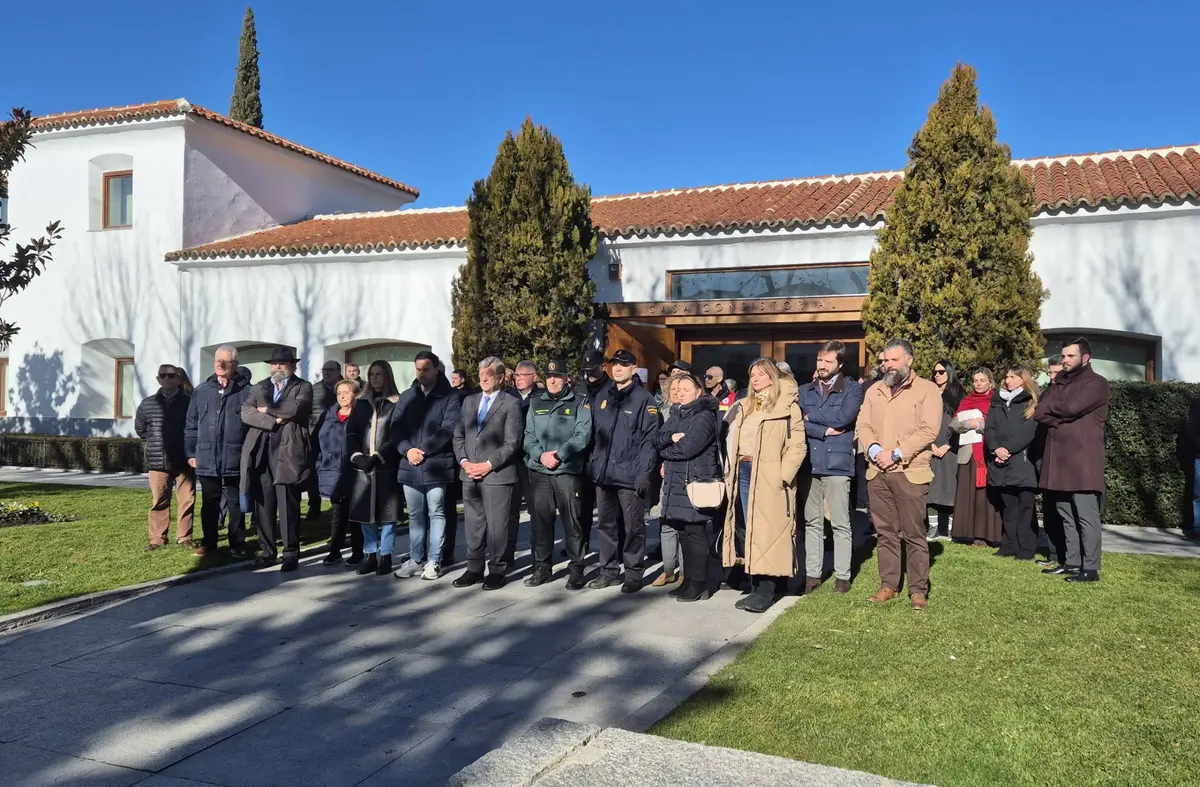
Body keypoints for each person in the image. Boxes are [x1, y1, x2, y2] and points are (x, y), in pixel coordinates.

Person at [855, 339, 941, 610]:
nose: (887, 365)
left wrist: (896, 453)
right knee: (885, 532)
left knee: (914, 534)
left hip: (911, 472)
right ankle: (888, 584)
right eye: (884, 361)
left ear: (909, 360)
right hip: (877, 472)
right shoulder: (874, 390)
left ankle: (918, 590)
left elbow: (928, 430)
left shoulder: (927, 390)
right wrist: (875, 448)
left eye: (893, 360)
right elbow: (863, 424)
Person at [721, 357, 806, 613]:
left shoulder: (786, 405)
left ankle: (767, 590)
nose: (755, 378)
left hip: (770, 474)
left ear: (772, 376)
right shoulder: (745, 405)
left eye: (760, 374)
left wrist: (782, 475)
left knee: (769, 532)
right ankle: (755, 585)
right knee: (750, 529)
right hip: (744, 471)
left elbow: (797, 445)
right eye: (752, 374)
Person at [1036, 338, 1110, 582]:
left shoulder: (1096, 383)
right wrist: (1058, 412)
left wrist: (1056, 412)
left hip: (1082, 460)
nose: (1064, 360)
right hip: (1059, 459)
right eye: (1063, 356)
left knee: (1086, 515)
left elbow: (1072, 407)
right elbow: (1039, 410)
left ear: (1085, 357)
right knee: (1065, 513)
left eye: (1070, 356)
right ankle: (1071, 562)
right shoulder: (1059, 382)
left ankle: (1090, 568)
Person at [587, 348, 659, 593]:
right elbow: (595, 434)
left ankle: (633, 572)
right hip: (604, 474)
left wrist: (643, 474)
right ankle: (608, 571)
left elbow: (649, 441)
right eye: (614, 364)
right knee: (606, 526)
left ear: (633, 368)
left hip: (629, 475)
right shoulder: (602, 396)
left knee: (632, 527)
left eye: (623, 364)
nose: (617, 368)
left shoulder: (643, 399)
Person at [798, 341, 865, 595]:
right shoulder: (805, 391)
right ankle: (812, 576)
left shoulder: (852, 390)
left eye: (827, 361)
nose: (822, 365)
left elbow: (845, 418)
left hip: (837, 465)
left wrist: (811, 418)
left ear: (839, 363)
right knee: (812, 522)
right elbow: (798, 421)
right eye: (819, 360)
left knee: (840, 522)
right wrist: (825, 430)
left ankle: (843, 576)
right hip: (809, 464)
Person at [452, 357, 523, 590]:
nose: (483, 378)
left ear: (501, 378)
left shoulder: (510, 403)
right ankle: (474, 568)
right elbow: (458, 436)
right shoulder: (469, 402)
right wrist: (464, 462)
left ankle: (497, 569)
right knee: (473, 525)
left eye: (489, 374)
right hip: (469, 474)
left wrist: (488, 464)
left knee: (497, 526)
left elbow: (512, 443)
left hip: (497, 475)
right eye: (481, 373)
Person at [240, 346, 313, 571]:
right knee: (264, 503)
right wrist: (273, 420)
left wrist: (266, 409)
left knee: (288, 504)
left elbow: (294, 408)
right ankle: (267, 551)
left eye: (282, 363)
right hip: (262, 450)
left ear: (293, 366)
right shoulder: (260, 387)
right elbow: (246, 412)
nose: (277, 367)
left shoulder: (303, 386)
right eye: (274, 364)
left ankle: (290, 553)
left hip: (288, 451)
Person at [523, 358, 593, 588]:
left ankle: (576, 570)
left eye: (558, 376)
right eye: (550, 376)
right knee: (541, 524)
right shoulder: (535, 403)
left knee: (572, 523)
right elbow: (527, 435)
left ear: (566, 379)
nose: (553, 380)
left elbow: (582, 435)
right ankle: (542, 568)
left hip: (567, 472)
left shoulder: (579, 403)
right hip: (540, 470)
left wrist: (559, 454)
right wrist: (540, 455)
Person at [394, 351, 461, 580]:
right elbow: (396, 428)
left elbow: (448, 429)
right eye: (418, 369)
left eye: (426, 369)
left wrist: (423, 450)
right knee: (415, 514)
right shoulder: (407, 397)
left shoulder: (449, 398)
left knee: (437, 512)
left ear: (436, 370)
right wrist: (407, 450)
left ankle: (434, 560)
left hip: (436, 465)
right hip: (410, 464)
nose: (421, 374)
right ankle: (415, 558)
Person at [654, 372, 721, 602]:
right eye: (678, 388)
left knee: (695, 533)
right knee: (683, 532)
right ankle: (689, 580)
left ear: (698, 392)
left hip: (695, 482)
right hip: (677, 481)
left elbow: (688, 448)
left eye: (686, 389)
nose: (680, 392)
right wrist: (671, 438)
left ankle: (700, 583)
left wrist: (666, 451)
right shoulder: (676, 413)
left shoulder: (703, 416)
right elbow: (658, 438)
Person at [185, 346, 252, 558]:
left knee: (235, 502)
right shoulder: (202, 390)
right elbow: (191, 424)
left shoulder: (246, 391)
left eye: (226, 362)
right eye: (217, 361)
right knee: (210, 503)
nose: (220, 365)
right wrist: (190, 453)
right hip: (206, 456)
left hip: (235, 455)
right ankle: (210, 542)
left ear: (235, 365)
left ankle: (238, 543)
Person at [346, 361, 403, 577]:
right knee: (365, 514)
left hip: (386, 466)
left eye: (380, 374)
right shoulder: (361, 403)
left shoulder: (396, 403)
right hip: (362, 468)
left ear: (387, 376)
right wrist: (357, 456)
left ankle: (386, 555)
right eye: (372, 374)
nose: (376, 378)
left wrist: (379, 456)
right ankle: (370, 555)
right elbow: (351, 432)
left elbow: (396, 434)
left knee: (387, 515)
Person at [135, 364, 195, 552]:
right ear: (158, 379)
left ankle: (185, 537)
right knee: (159, 501)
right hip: (157, 460)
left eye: (171, 375)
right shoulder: (147, 403)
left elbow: (194, 428)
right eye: (163, 375)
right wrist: (155, 443)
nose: (167, 378)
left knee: (187, 500)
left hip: (183, 459)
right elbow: (141, 429)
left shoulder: (189, 402)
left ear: (179, 378)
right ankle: (157, 538)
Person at [985, 366, 1041, 560]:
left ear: (1023, 379)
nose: (1008, 380)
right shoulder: (997, 401)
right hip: (1001, 463)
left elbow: (1028, 432)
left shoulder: (1031, 401)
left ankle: (1026, 548)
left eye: (1013, 377)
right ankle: (1009, 545)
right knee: (1008, 507)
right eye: (1006, 377)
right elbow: (990, 428)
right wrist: (996, 449)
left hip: (1022, 462)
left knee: (1025, 507)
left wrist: (1007, 449)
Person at [951, 368, 1004, 547]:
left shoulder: (997, 401)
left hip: (988, 453)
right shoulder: (967, 401)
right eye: (975, 380)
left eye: (982, 380)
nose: (979, 383)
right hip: (969, 454)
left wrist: (982, 425)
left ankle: (988, 534)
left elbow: (1001, 425)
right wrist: (968, 423)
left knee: (986, 496)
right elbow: (954, 424)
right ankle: (968, 533)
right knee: (969, 494)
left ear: (990, 381)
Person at [318, 379, 363, 565]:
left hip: (354, 471)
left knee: (356, 514)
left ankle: (358, 552)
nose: (342, 396)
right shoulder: (328, 416)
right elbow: (319, 443)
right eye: (339, 393)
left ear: (355, 394)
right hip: (333, 471)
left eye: (346, 392)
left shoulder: (361, 415)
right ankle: (334, 551)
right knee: (338, 514)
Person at [575, 348, 611, 555]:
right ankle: (582, 542)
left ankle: (610, 548)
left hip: (605, 454)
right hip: (584, 456)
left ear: (602, 367)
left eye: (593, 369)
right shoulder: (580, 389)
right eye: (585, 370)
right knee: (582, 506)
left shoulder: (613, 389)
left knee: (608, 509)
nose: (589, 374)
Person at [503, 360, 539, 565]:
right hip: (511, 461)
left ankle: (538, 556)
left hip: (532, 461)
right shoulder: (508, 397)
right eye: (516, 375)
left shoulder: (541, 398)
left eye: (524, 375)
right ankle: (507, 554)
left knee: (536, 510)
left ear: (534, 376)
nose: (519, 379)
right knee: (509, 511)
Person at [1035, 354, 1068, 566]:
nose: (1053, 376)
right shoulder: (1047, 392)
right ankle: (1055, 554)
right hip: (1044, 457)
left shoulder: (1070, 394)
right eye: (1050, 373)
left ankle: (1069, 557)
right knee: (1049, 510)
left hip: (1064, 459)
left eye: (1057, 372)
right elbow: (1040, 413)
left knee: (1064, 510)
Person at [927, 360, 965, 540]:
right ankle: (932, 527)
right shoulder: (927, 393)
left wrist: (949, 445)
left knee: (950, 487)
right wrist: (930, 444)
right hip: (930, 446)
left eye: (941, 371)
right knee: (931, 487)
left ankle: (949, 528)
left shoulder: (959, 395)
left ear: (949, 372)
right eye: (934, 372)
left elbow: (963, 424)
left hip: (950, 447)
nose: (937, 375)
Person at [307, 360, 342, 520]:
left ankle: (339, 502)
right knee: (313, 471)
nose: (326, 372)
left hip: (339, 438)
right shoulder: (314, 390)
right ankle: (314, 505)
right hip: (316, 437)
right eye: (324, 370)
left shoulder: (345, 389)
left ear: (338, 371)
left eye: (330, 370)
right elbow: (308, 412)